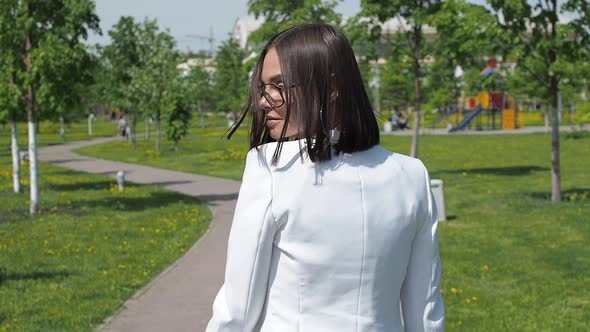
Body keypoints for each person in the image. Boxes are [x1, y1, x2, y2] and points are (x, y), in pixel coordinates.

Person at [207, 24, 444, 332]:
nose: (265, 100)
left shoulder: (272, 170)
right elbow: (425, 312)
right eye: (263, 87)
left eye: (279, 85)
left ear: (331, 88)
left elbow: (238, 307)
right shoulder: (412, 176)